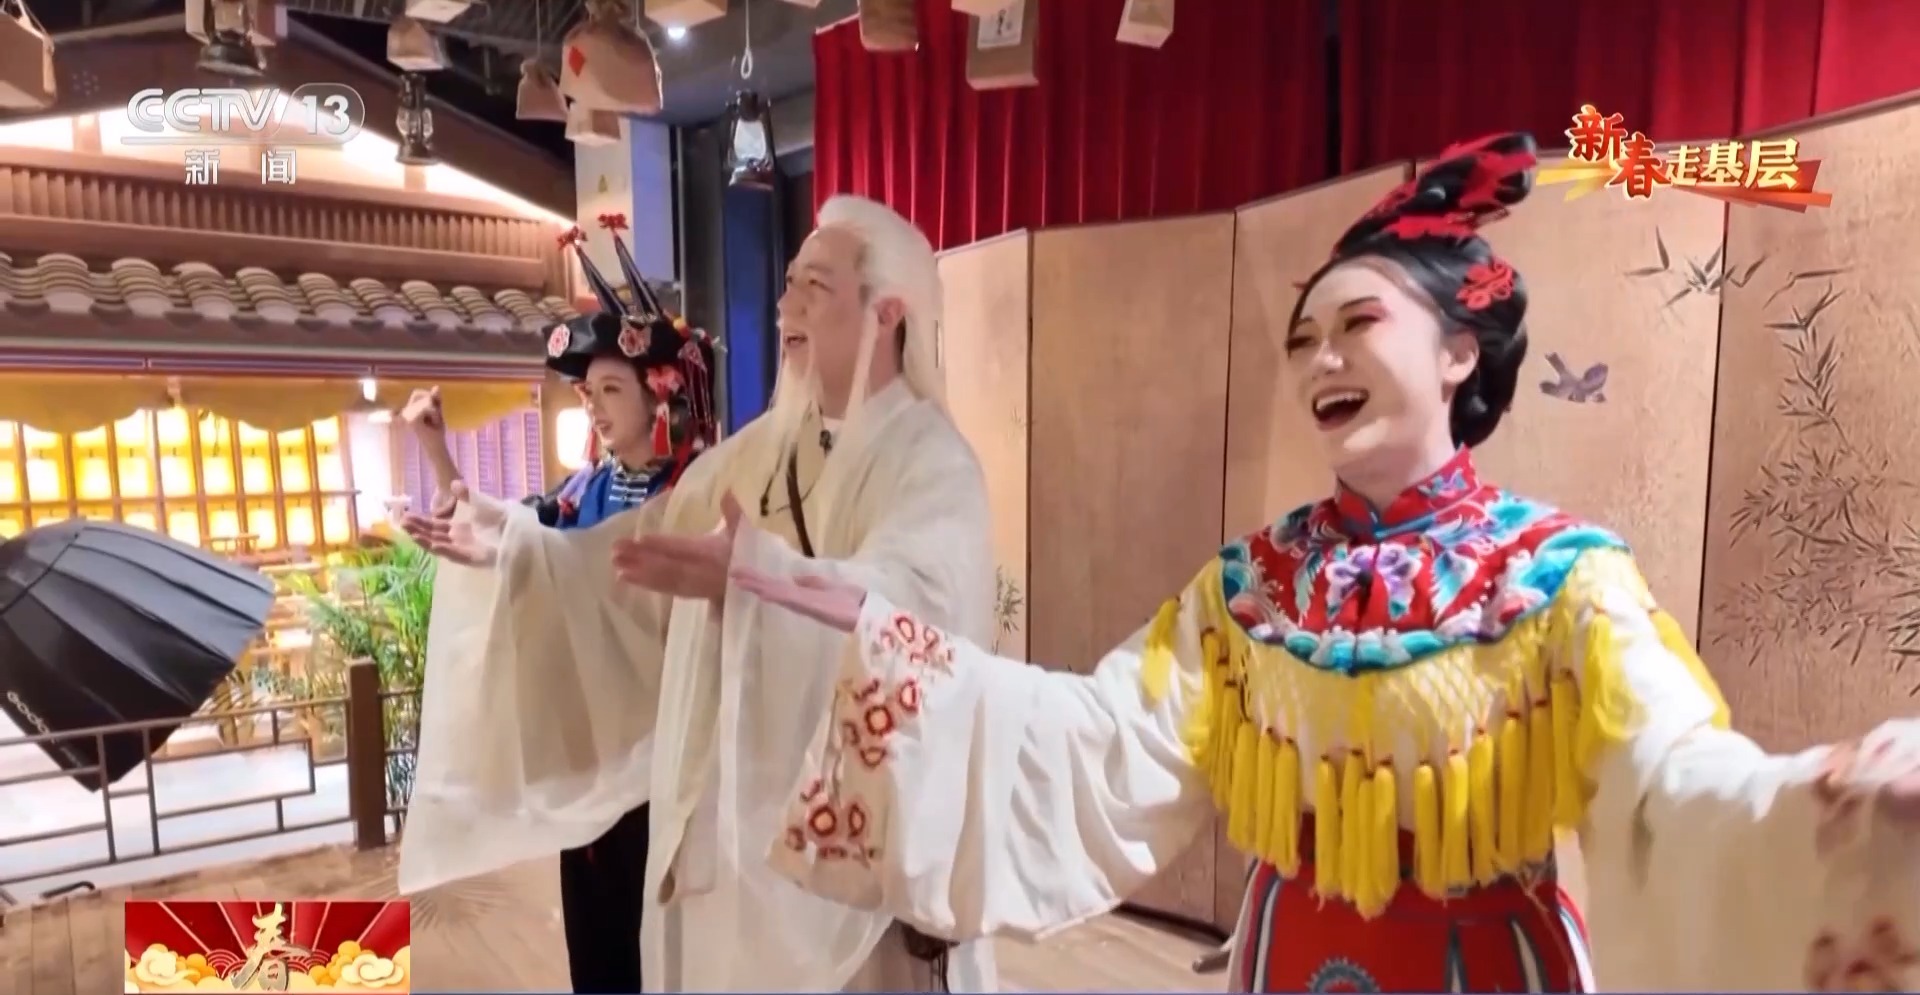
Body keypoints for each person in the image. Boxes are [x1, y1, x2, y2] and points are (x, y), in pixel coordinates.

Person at [717, 133, 1920, 992]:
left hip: (1483, 966)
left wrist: (1849, 804)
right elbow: (1096, 734)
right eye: (1304, 338)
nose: (1321, 360)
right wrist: (870, 623)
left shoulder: (1561, 579)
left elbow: (1676, 785)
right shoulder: (1254, 589)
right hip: (1289, 956)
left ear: (1458, 353)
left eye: (1358, 324)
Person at [400, 194, 1000, 991]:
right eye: (788, 284)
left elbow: (917, 609)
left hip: (850, 864)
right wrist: (517, 548)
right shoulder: (755, 456)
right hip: (737, 850)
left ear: (887, 310)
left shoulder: (932, 461)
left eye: (814, 287)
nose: (785, 306)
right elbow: (634, 562)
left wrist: (764, 583)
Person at [395, 214, 717, 995]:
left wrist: (519, 553)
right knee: (599, 949)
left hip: (673, 762)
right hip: (593, 758)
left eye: (611, 389)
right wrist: (437, 450)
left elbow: (547, 558)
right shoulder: (586, 491)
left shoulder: (701, 492)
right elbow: (518, 540)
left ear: (662, 392)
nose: (595, 408)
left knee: (672, 953)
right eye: (588, 392)